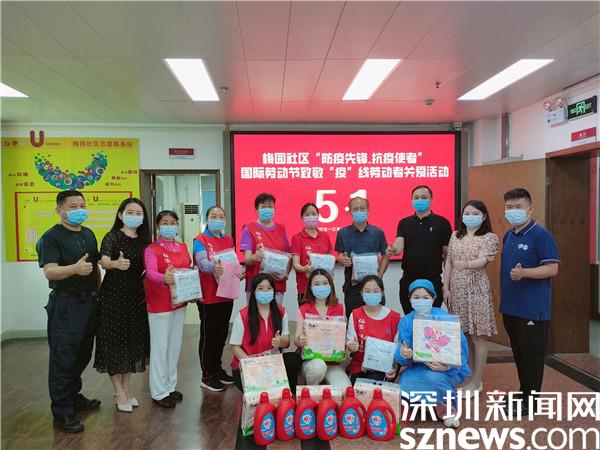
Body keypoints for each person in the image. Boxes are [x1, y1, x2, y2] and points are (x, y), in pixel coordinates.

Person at [37, 190, 101, 433]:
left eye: (82, 205)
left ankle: (74, 397)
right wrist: (74, 269)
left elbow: (95, 266)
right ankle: (62, 412)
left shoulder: (88, 234)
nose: (79, 210)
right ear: (59, 210)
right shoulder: (51, 237)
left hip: (90, 303)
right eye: (73, 206)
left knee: (82, 354)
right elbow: (50, 271)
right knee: (63, 358)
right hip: (66, 305)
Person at [500, 188, 559, 415]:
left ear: (530, 209)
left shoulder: (541, 235)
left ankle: (530, 402)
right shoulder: (509, 235)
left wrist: (525, 273)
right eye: (509, 207)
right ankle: (524, 393)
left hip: (532, 310)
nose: (513, 211)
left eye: (518, 207)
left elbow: (552, 268)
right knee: (520, 354)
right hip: (511, 307)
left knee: (532, 357)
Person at [94, 198, 151, 413]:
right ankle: (118, 391)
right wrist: (115, 264)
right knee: (114, 343)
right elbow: (103, 260)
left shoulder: (144, 240)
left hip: (136, 296)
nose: (135, 216)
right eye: (130, 212)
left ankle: (127, 389)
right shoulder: (113, 237)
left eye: (139, 213)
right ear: (120, 215)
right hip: (114, 296)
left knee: (131, 342)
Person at [396, 279, 471, 428]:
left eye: (426, 297)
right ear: (410, 299)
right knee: (404, 383)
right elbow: (400, 354)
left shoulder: (445, 318)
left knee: (434, 379)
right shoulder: (406, 322)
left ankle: (446, 407)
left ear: (433, 298)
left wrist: (447, 366)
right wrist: (404, 354)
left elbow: (460, 350)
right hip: (417, 368)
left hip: (444, 370)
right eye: (416, 297)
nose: (421, 301)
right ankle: (424, 403)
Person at [443, 200, 498, 397]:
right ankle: (471, 379)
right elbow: (449, 261)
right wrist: (446, 287)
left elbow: (484, 260)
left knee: (478, 337)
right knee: (465, 336)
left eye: (476, 214)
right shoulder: (455, 236)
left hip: (477, 290)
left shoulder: (489, 237)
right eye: (467, 213)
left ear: (484, 217)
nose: (470, 217)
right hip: (456, 290)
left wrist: (465, 264)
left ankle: (476, 382)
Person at [144, 210, 191, 408]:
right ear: (158, 226)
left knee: (174, 346)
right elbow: (151, 273)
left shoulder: (182, 247)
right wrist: (164, 278)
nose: (169, 226)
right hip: (160, 304)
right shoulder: (151, 249)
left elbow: (188, 270)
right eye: (165, 222)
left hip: (179, 302)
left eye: (172, 222)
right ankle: (159, 391)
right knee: (160, 348)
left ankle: (170, 386)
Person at [193, 206, 241, 392]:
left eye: (221, 216)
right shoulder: (200, 240)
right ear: (207, 218)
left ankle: (217, 368)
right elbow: (202, 264)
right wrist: (214, 266)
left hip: (226, 293)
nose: (218, 219)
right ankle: (207, 375)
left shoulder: (228, 239)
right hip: (209, 296)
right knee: (209, 336)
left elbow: (233, 263)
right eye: (214, 216)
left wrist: (238, 272)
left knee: (221, 335)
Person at [229, 273, 302, 393]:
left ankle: (289, 395)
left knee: (294, 359)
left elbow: (286, 342)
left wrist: (281, 341)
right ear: (254, 292)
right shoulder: (243, 315)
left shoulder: (281, 312)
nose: (265, 292)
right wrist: (250, 364)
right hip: (249, 365)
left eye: (269, 288)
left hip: (272, 364)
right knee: (262, 394)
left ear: (274, 291)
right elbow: (234, 346)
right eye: (261, 288)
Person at [387, 185, 452, 315]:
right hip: (409, 280)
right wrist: (393, 249)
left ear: (431, 199)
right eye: (416, 198)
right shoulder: (404, 223)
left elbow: (447, 256)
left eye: (423, 197)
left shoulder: (442, 223)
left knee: (431, 320)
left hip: (432, 281)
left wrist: (447, 285)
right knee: (410, 318)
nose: (419, 200)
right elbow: (399, 244)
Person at [294, 269, 351, 387]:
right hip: (311, 361)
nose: (321, 287)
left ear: (331, 286)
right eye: (317, 284)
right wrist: (301, 340)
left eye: (325, 283)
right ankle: (311, 392)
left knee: (345, 389)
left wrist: (347, 347)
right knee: (318, 367)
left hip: (333, 362)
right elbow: (296, 340)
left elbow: (345, 337)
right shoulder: (303, 309)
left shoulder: (340, 308)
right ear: (310, 288)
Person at [335, 197, 389, 318]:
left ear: (368, 210)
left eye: (362, 208)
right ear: (350, 212)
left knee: (377, 320)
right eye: (355, 209)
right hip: (352, 288)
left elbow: (385, 256)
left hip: (375, 287)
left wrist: (380, 275)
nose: (359, 211)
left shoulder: (378, 232)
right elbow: (339, 256)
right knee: (354, 321)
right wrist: (341, 260)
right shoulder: (342, 233)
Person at [346, 275, 400, 384]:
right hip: (359, 367)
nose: (371, 294)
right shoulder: (355, 314)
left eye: (376, 291)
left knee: (373, 386)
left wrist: (394, 368)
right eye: (367, 291)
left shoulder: (394, 317)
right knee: (357, 389)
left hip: (382, 369)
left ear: (382, 293)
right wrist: (351, 347)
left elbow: (396, 348)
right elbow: (349, 347)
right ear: (361, 293)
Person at [241, 193, 291, 304]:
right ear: (256, 209)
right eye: (263, 206)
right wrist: (255, 257)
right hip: (256, 285)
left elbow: (288, 256)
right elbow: (247, 259)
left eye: (270, 206)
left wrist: (285, 274)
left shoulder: (281, 229)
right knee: (255, 314)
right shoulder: (249, 229)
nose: (267, 209)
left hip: (277, 284)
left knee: (276, 314)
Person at [291, 203, 333, 303]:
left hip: (324, 286)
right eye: (307, 214)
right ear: (302, 218)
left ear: (318, 216)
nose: (311, 217)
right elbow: (295, 264)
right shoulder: (297, 238)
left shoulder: (325, 236)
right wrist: (304, 269)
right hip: (305, 287)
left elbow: (329, 260)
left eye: (313, 214)